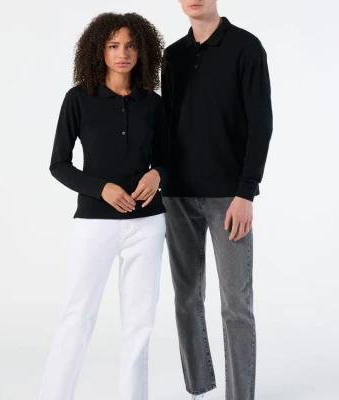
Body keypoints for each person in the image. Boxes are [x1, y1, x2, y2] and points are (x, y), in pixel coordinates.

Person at [38, 12, 168, 400]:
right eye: (113, 46)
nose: (122, 53)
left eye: (130, 46)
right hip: (94, 223)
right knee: (77, 315)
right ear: (100, 50)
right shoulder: (79, 99)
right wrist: (102, 189)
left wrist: (158, 174)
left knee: (140, 325)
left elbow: (169, 159)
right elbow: (59, 164)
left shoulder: (154, 104)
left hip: (148, 224)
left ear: (142, 51)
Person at [161, 1, 273, 399]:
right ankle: (198, 387)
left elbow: (261, 123)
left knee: (236, 305)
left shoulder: (246, 47)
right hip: (176, 196)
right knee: (186, 298)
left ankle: (239, 395)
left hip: (229, 197)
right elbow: (166, 124)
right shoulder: (172, 56)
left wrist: (246, 191)